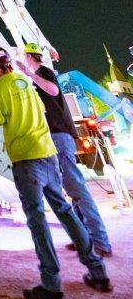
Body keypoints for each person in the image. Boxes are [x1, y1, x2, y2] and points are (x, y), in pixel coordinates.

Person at [0, 46, 112, 299]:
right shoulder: (27, 82)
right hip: (48, 153)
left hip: (26, 159)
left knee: (37, 219)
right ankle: (97, 271)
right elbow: (42, 110)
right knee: (64, 209)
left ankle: (51, 285)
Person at [17, 42, 112, 256]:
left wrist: (28, 74)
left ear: (30, 57)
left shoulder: (44, 72)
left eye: (24, 57)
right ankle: (83, 237)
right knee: (70, 190)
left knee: (77, 189)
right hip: (54, 137)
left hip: (59, 136)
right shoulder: (41, 75)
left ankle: (101, 242)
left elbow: (53, 89)